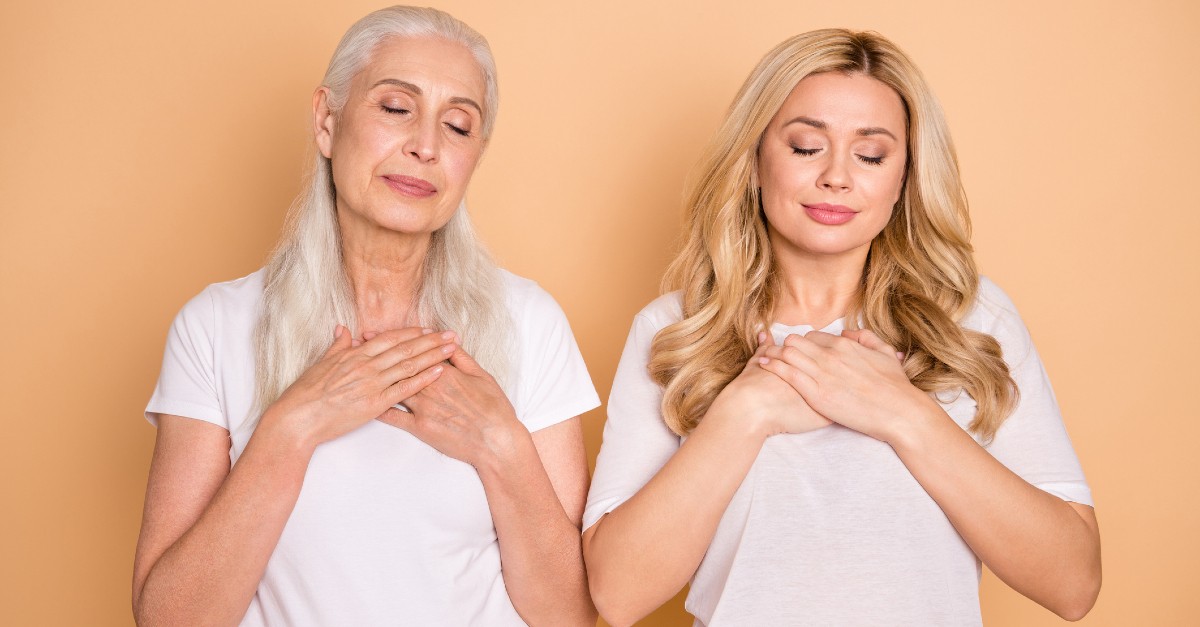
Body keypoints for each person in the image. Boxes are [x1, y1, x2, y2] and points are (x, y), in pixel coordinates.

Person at [582, 29, 1101, 626]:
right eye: (806, 147)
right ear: (753, 161)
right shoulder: (678, 329)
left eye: (871, 155)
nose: (837, 176)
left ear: (903, 178)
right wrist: (745, 414)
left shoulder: (972, 319)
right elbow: (617, 596)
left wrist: (902, 414)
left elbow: (1074, 583)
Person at [132, 6, 599, 626]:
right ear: (327, 121)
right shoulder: (216, 326)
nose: (426, 146)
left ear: (474, 159)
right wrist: (292, 428)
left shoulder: (530, 324)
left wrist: (502, 447)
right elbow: (167, 619)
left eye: (458, 126)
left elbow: (570, 617)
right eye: (396, 108)